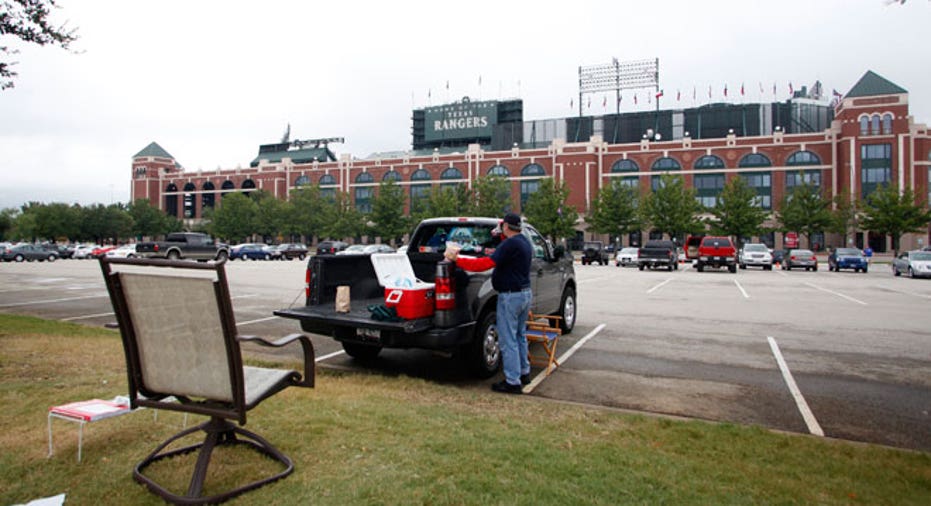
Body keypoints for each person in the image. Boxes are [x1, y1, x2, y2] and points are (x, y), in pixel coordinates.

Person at [445, 213, 532, 394]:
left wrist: (457, 259)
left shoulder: (509, 244)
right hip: (524, 294)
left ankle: (512, 382)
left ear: (507, 226)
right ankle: (524, 372)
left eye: (502, 226)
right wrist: (497, 238)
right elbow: (501, 255)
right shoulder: (523, 242)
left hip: (510, 296)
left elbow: (484, 264)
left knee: (508, 340)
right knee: (519, 335)